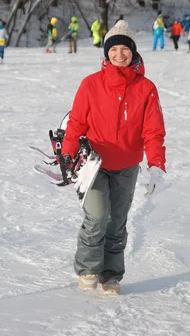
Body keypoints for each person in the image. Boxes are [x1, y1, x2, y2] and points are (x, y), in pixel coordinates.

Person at [61, 20, 166, 295]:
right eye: (114, 49)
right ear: (106, 53)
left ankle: (111, 276)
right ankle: (87, 268)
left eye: (125, 49)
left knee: (117, 223)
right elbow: (76, 125)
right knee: (97, 217)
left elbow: (153, 131)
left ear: (133, 52)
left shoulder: (146, 88)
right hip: (94, 166)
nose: (119, 54)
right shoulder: (91, 84)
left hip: (127, 167)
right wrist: (66, 158)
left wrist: (156, 167)